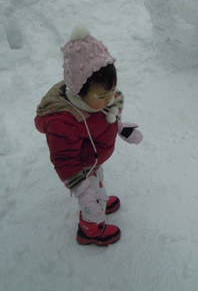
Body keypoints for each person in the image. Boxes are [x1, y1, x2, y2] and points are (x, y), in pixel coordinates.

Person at [34, 25, 143, 246]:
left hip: (93, 161)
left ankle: (98, 198)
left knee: (98, 182)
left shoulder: (97, 102)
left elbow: (105, 119)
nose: (110, 98)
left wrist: (121, 128)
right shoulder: (64, 122)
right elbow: (64, 161)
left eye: (112, 90)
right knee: (92, 199)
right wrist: (83, 192)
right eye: (103, 94)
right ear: (79, 90)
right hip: (80, 170)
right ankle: (89, 229)